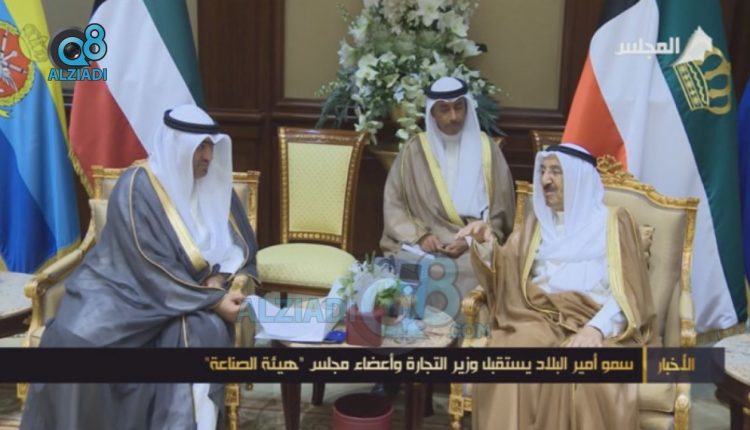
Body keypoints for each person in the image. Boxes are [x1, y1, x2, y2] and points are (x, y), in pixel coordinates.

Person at [20, 105, 259, 430]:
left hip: (183, 302)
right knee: (74, 339)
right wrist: (212, 299)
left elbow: (241, 251)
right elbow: (145, 262)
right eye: (200, 147)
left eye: (211, 146)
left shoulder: (219, 192)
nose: (208, 156)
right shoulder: (137, 186)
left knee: (198, 337)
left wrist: (219, 280)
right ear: (178, 147)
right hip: (119, 289)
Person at [456, 143, 659, 429]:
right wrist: (486, 242)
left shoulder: (614, 223)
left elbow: (630, 292)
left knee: (581, 374)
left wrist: (596, 329)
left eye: (555, 172)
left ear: (578, 177)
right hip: (538, 318)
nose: (545, 180)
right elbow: (506, 274)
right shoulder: (536, 224)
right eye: (542, 171)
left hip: (595, 321)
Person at [380, 76, 515, 311]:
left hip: (472, 243)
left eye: (458, 107)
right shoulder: (413, 151)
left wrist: (470, 240)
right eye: (444, 109)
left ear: (467, 107)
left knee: (475, 267)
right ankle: (415, 333)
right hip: (423, 243)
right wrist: (420, 236)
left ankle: (465, 332)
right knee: (408, 264)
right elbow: (394, 204)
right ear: (432, 113)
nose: (453, 116)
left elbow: (500, 212)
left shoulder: (487, 150)